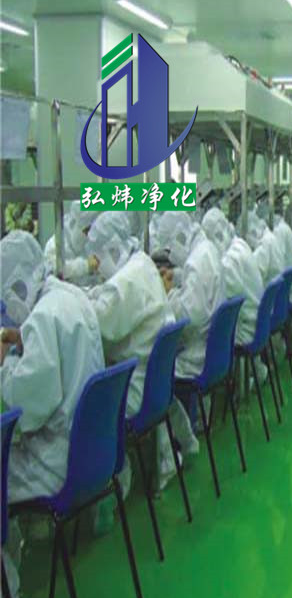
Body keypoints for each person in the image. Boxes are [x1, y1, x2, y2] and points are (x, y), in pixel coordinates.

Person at [0, 230, 104, 598]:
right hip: (88, 453)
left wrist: (5, 366)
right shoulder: (68, 296)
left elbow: (28, 406)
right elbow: (53, 353)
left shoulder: (42, 317)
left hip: (56, 464)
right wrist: (22, 340)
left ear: (18, 286)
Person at [86, 213, 199, 499]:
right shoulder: (142, 264)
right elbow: (112, 297)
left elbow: (100, 324)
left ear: (111, 250)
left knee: (78, 407)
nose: (97, 267)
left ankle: (110, 483)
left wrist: (78, 299)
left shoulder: (126, 283)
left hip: (136, 390)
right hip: (154, 384)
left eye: (98, 258)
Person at [149, 212, 225, 381]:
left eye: (169, 249)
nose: (170, 256)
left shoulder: (196, 262)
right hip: (213, 348)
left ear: (180, 236)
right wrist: (176, 277)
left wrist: (169, 295)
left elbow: (189, 319)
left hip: (196, 357)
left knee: (150, 366)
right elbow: (197, 290)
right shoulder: (206, 248)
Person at [202, 208, 263, 347]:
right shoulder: (240, 244)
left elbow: (222, 305)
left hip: (245, 329)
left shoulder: (229, 261)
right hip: (257, 320)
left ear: (216, 237)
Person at [43, 200, 100, 285]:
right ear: (73, 225)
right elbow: (52, 270)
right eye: (86, 231)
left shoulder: (89, 246)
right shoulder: (55, 244)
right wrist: (85, 266)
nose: (89, 236)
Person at [247, 206, 283, 284]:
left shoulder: (265, 242)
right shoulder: (269, 237)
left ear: (253, 232)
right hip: (276, 286)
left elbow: (256, 272)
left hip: (270, 287)